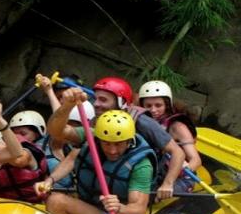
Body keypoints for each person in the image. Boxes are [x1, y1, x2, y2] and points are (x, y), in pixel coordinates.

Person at [47, 77, 189, 200]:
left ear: (121, 103)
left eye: (103, 100)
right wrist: (50, 180)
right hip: (107, 182)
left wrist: (167, 184)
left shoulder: (142, 122)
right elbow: (72, 150)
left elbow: (178, 152)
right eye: (96, 99)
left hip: (140, 183)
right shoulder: (98, 122)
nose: (96, 104)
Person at [36, 108, 156, 214]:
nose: (112, 150)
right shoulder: (92, 138)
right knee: (53, 198)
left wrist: (119, 207)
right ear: (99, 139)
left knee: (56, 201)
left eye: (118, 144)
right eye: (106, 143)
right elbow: (64, 145)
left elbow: (138, 213)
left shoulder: (141, 164)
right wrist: (49, 181)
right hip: (88, 208)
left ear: (129, 141)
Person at [0, 111, 49, 202]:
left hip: (36, 206)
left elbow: (18, 160)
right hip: (5, 209)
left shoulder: (27, 152)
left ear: (0, 140)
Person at [138, 80, 201, 173]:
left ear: (167, 105)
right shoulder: (140, 120)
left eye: (158, 105)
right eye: (148, 105)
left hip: (176, 176)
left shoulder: (178, 127)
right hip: (147, 169)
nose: (153, 110)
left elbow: (196, 160)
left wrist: (180, 171)